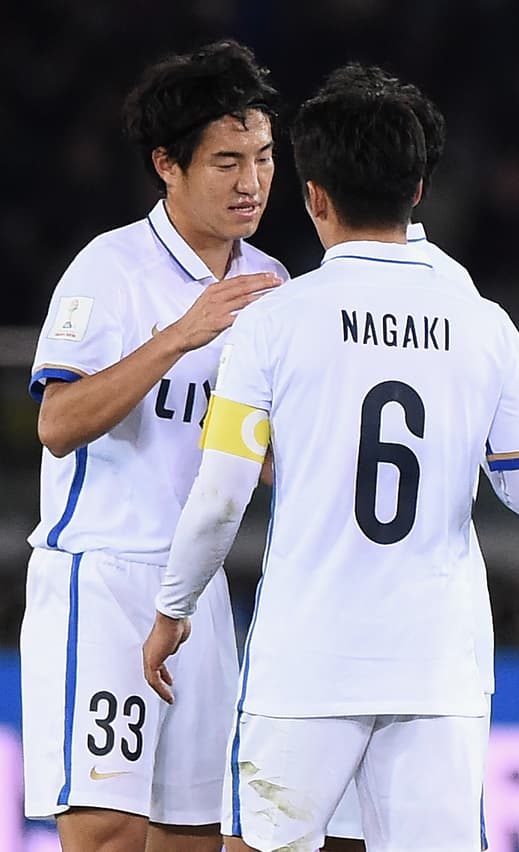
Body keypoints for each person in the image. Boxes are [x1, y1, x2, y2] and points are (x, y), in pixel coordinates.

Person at [141, 65, 519, 852]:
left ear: (315, 196)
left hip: (308, 659)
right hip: (438, 663)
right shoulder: (483, 323)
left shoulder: (273, 320)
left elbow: (222, 495)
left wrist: (173, 609)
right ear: (421, 190)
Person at [21, 40, 284, 852]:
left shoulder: (274, 285)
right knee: (106, 833)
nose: (251, 183)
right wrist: (181, 335)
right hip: (103, 576)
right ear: (167, 164)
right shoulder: (110, 270)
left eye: (266, 158)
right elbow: (57, 423)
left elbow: (267, 456)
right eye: (227, 161)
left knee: (197, 837)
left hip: (199, 591)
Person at [311, 62, 492, 852]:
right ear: (419, 184)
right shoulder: (465, 298)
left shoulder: (303, 300)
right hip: (429, 634)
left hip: (320, 626)